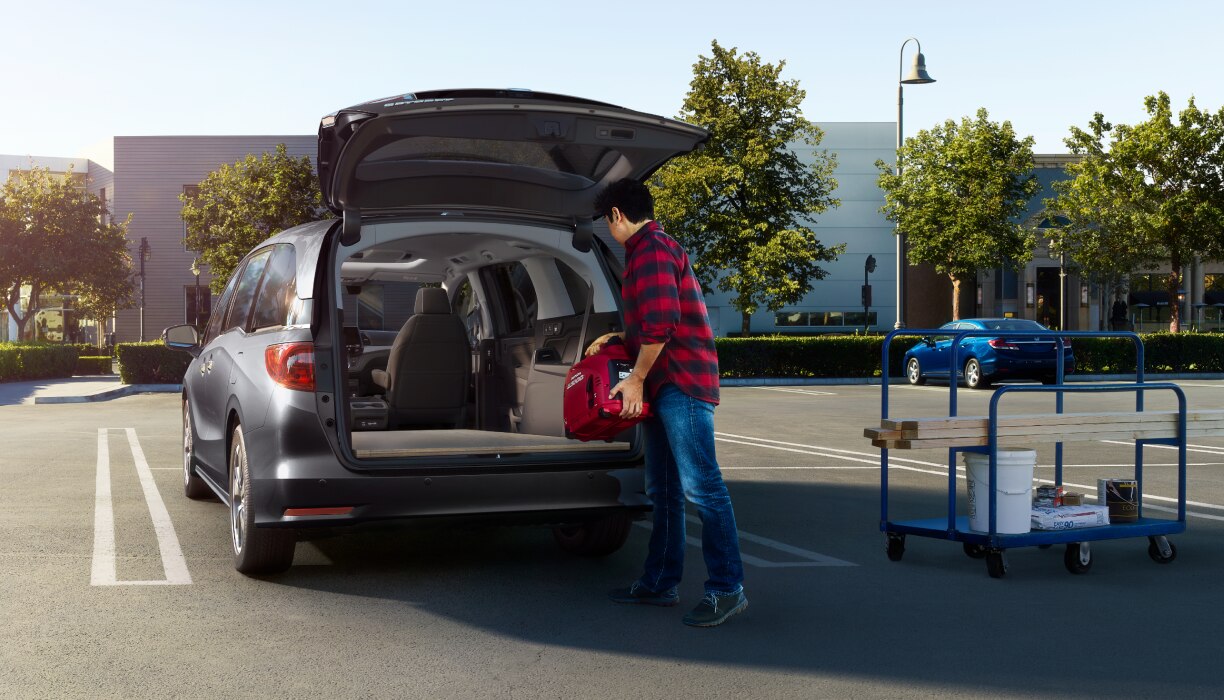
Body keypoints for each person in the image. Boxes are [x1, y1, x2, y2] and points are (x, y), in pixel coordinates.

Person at [587, 178, 746, 628]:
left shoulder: (652, 249)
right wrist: (618, 338)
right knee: (664, 489)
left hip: (681, 384)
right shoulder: (647, 252)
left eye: (606, 219)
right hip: (665, 387)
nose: (607, 227)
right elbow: (649, 326)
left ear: (617, 214)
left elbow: (661, 325)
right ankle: (660, 582)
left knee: (702, 486)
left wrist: (635, 380)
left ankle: (727, 588)